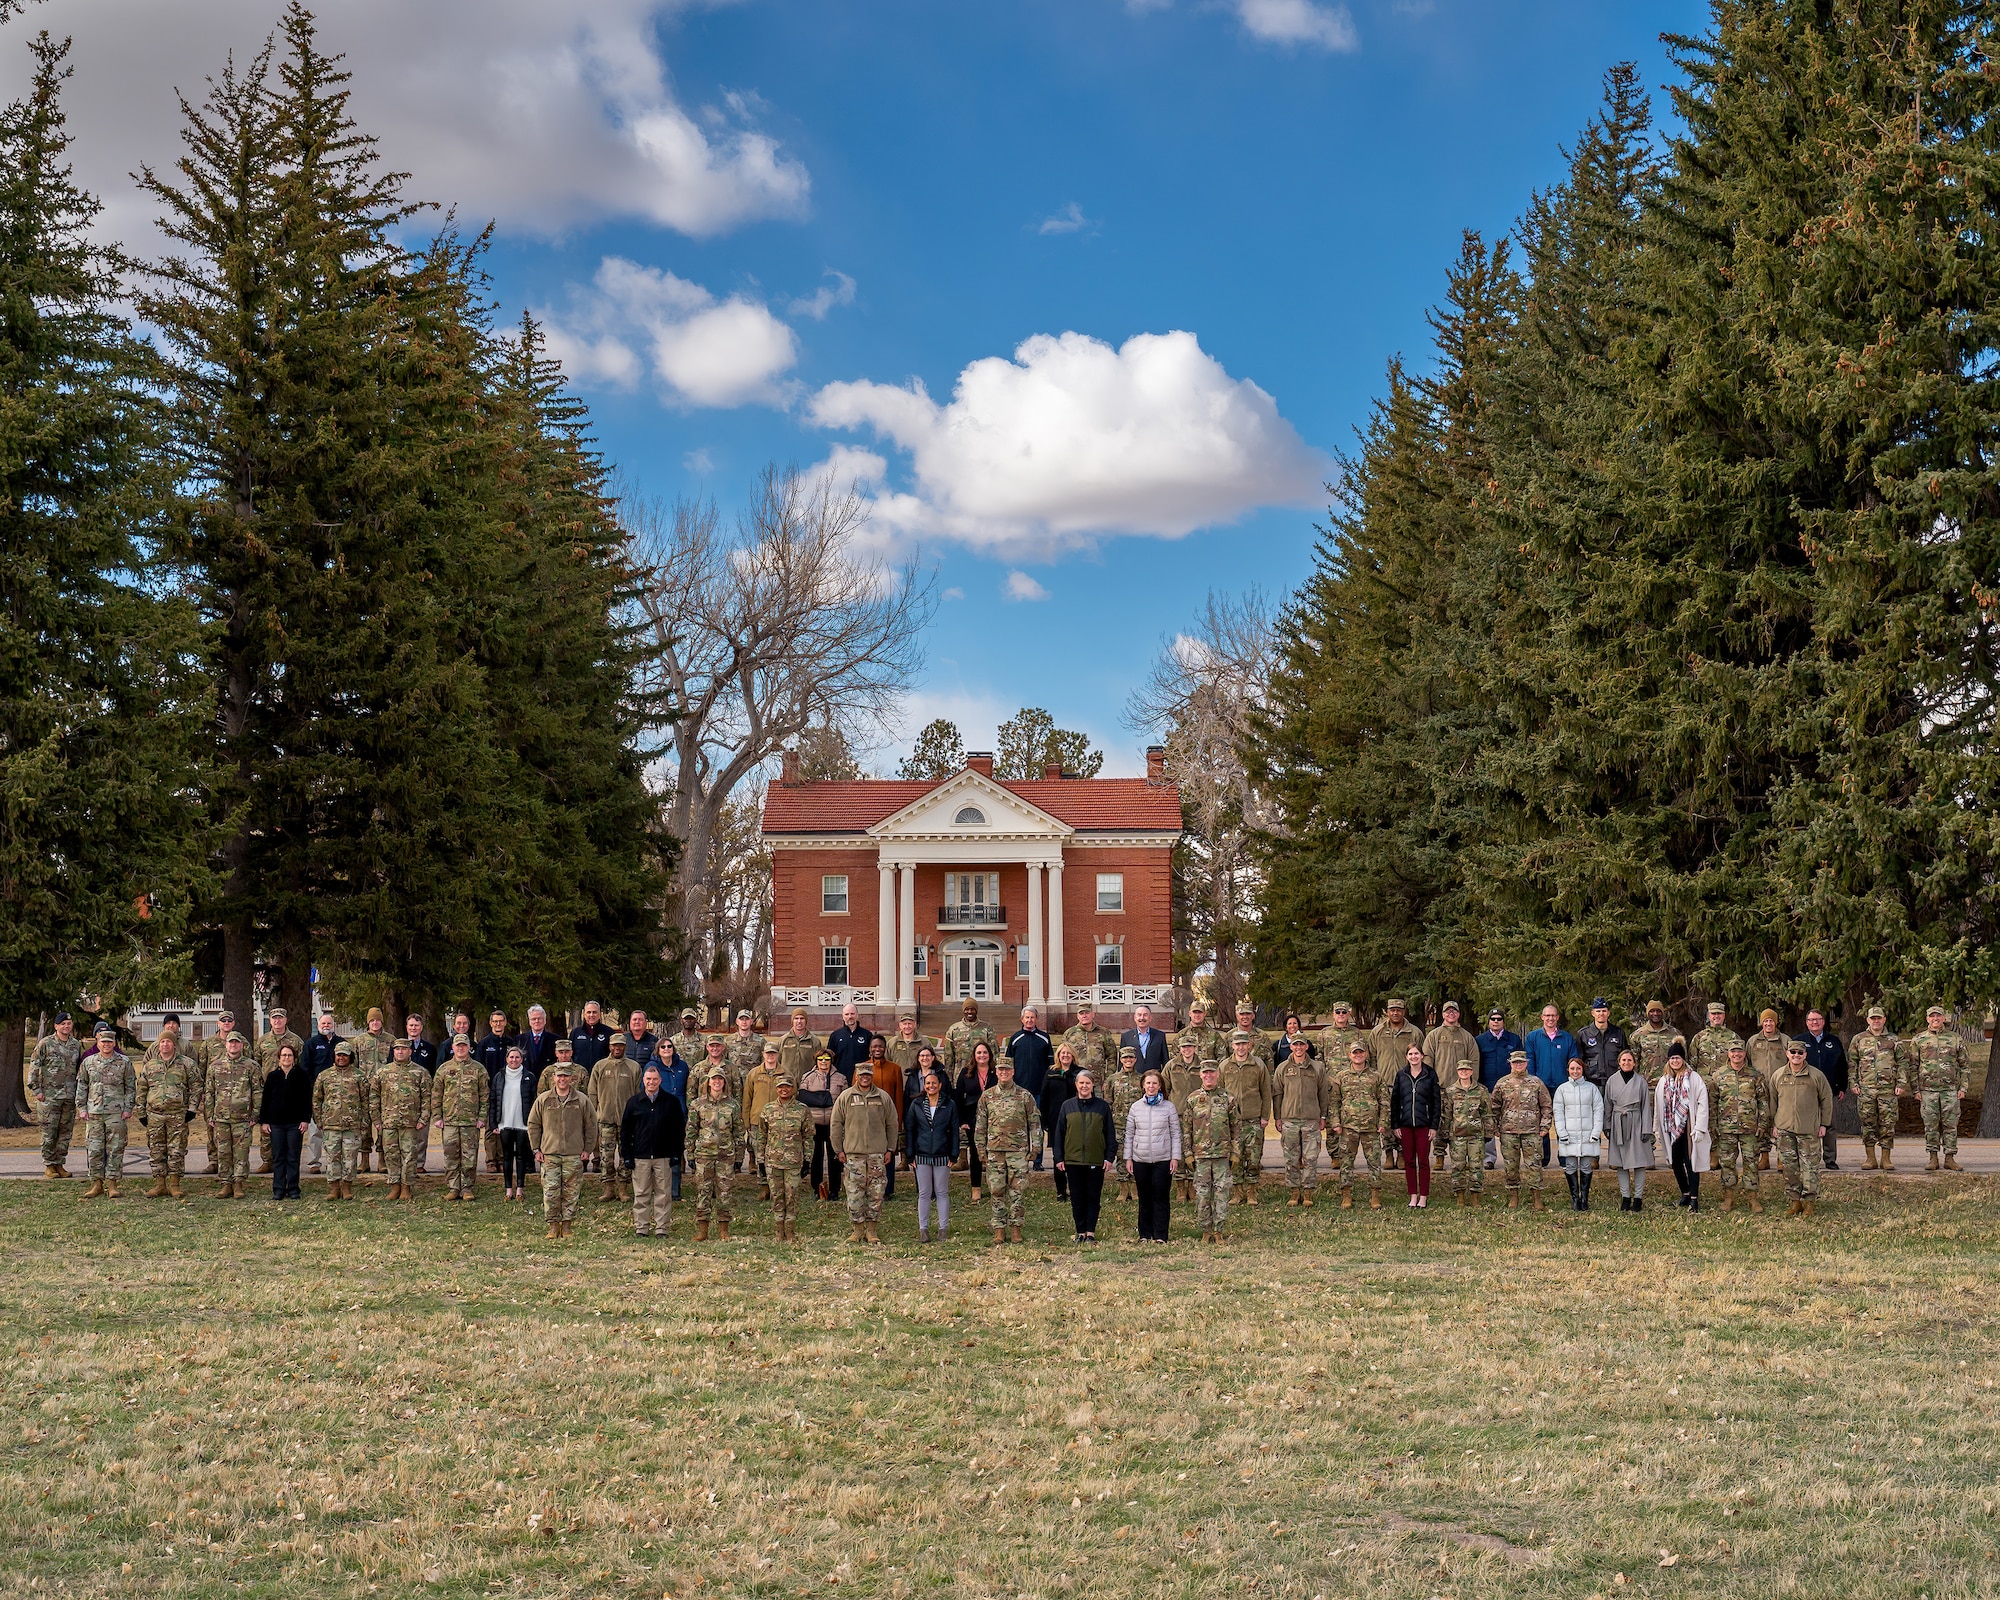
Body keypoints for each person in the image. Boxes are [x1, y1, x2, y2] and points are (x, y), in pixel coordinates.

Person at [974, 1054, 1039, 1246]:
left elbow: (1034, 1123)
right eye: (1001, 1069)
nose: (1004, 1072)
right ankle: (999, 1229)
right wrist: (980, 1149)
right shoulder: (987, 1096)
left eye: (1007, 1069)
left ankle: (1016, 1228)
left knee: (1017, 1191)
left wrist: (1035, 1148)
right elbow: (980, 1125)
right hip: (994, 1152)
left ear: (1013, 1072)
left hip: (1018, 1151)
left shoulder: (1024, 1096)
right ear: (996, 1071)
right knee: (996, 1191)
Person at [831, 1059, 898, 1244]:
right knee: (854, 1193)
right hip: (853, 1155)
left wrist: (890, 1149)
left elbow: (892, 1124)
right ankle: (857, 1230)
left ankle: (871, 1230)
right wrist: (838, 1149)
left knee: (876, 1194)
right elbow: (836, 1124)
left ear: (872, 1076)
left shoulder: (883, 1098)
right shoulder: (846, 1097)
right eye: (861, 1075)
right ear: (856, 1076)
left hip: (877, 1155)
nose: (865, 1078)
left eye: (868, 1075)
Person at [527, 1063, 596, 1240]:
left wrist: (587, 1149)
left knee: (571, 1191)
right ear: (554, 1078)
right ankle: (552, 1226)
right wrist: (536, 1149)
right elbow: (533, 1124)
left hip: (573, 1153)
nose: (562, 1079)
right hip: (549, 1153)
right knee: (550, 1190)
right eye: (559, 1076)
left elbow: (591, 1126)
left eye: (566, 1076)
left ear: (571, 1078)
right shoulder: (543, 1099)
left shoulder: (581, 1100)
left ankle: (566, 1226)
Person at [136, 1019, 201, 1200]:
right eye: (162, 1041)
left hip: (178, 1115)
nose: (165, 1044)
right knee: (156, 1150)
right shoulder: (150, 1066)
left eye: (168, 1041)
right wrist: (141, 1113)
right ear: (158, 1044)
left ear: (174, 1044)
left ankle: (174, 1184)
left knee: (177, 1150)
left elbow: (196, 1086)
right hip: (155, 1115)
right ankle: (159, 1184)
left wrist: (192, 1109)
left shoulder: (186, 1064)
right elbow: (141, 1089)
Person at [621, 1063, 687, 1239]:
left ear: (660, 1080)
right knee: (641, 1193)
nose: (651, 1082)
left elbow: (678, 1131)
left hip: (663, 1156)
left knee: (663, 1194)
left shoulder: (671, 1102)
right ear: (643, 1080)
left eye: (655, 1079)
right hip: (640, 1156)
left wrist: (676, 1154)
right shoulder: (634, 1102)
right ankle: (641, 1228)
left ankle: (661, 1229)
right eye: (648, 1079)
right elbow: (625, 1132)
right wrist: (627, 1155)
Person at [1772, 1039, 1835, 1215]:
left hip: (1809, 1130)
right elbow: (1772, 1101)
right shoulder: (1778, 1076)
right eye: (1793, 1052)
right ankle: (1794, 1202)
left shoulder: (1816, 1076)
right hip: (1785, 1130)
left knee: (1810, 1168)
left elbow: (1827, 1100)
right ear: (1787, 1054)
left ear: (1805, 1055)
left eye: (1800, 1053)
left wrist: (1824, 1124)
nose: (1796, 1056)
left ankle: (1809, 1203)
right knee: (1789, 1168)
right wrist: (1774, 1124)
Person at [1709, 1042, 1773, 1214]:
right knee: (1727, 1163)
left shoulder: (1755, 1075)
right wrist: (1713, 1124)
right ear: (1728, 1054)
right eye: (1733, 1051)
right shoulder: (1719, 1075)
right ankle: (1728, 1197)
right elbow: (1712, 1102)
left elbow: (1763, 1102)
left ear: (1745, 1053)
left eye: (1740, 1051)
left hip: (1750, 1128)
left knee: (1751, 1163)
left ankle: (1752, 1198)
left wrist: (1763, 1124)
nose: (1736, 1054)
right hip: (1726, 1128)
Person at [1053, 1069, 1116, 1242]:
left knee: (1093, 1197)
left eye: (1087, 1083)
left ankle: (1090, 1232)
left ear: (1092, 1085)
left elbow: (1110, 1133)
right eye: (1081, 1083)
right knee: (1077, 1198)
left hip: (1095, 1160)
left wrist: (1109, 1157)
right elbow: (1059, 1134)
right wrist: (1059, 1158)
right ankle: (1080, 1231)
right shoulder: (1067, 1106)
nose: (1084, 1086)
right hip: (1072, 1161)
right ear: (1076, 1085)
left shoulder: (1102, 1107)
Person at [1907, 1004, 1970, 1171]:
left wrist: (1963, 1088)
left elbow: (1964, 1066)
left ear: (1943, 1018)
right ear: (1927, 1018)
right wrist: (1915, 1090)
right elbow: (1913, 1066)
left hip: (1950, 1091)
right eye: (1932, 1016)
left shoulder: (1955, 1039)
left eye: (1938, 1016)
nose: (1935, 1019)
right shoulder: (1918, 1040)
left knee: (1950, 1125)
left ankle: (1950, 1158)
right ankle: (1932, 1158)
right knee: (1930, 1125)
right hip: (1927, 1091)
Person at [686, 1063, 743, 1241]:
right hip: (703, 1155)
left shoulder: (733, 1105)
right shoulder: (698, 1104)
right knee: (703, 1191)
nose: (717, 1082)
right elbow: (691, 1130)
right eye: (714, 1079)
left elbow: (739, 1132)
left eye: (720, 1079)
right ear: (708, 1082)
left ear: (724, 1082)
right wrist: (690, 1154)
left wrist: (739, 1157)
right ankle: (702, 1230)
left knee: (724, 1193)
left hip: (726, 1156)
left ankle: (723, 1230)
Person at [1183, 1061, 1238, 1243]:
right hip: (1201, 1155)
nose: (1209, 1076)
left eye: (1212, 1073)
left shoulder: (1227, 1098)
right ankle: (1206, 1231)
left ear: (1217, 1074)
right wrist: (1188, 1153)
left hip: (1222, 1155)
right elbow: (1186, 1129)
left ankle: (1218, 1230)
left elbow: (1236, 1127)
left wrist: (1236, 1152)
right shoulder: (1192, 1099)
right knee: (1202, 1195)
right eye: (1205, 1073)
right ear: (1200, 1075)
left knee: (1222, 1194)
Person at [1123, 1069, 1181, 1244]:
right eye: (1148, 1083)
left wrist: (1175, 1157)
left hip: (1163, 1160)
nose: (1151, 1086)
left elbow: (1176, 1134)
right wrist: (1128, 1158)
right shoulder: (1136, 1107)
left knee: (1160, 1197)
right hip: (1140, 1160)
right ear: (1143, 1086)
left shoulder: (1169, 1107)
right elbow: (1130, 1134)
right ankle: (1145, 1234)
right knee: (1145, 1198)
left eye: (1154, 1083)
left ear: (1160, 1086)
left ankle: (1160, 1235)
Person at [78, 1024, 135, 1199]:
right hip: (94, 1112)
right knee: (94, 1149)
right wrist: (81, 1107)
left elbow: (131, 1087)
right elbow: (82, 1085)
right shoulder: (88, 1062)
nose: (106, 1045)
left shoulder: (124, 1062)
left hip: (116, 1113)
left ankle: (112, 1184)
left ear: (114, 1042)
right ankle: (96, 1184)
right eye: (103, 1041)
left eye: (110, 1042)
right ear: (98, 1042)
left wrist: (128, 1108)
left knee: (115, 1149)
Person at [905, 1066, 961, 1243]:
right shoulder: (916, 1104)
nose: (931, 1086)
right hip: (921, 1155)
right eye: (928, 1083)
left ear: (940, 1084)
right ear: (924, 1085)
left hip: (942, 1155)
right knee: (924, 1193)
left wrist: (954, 1154)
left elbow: (954, 1131)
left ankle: (943, 1229)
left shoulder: (949, 1104)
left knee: (942, 1191)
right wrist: (910, 1154)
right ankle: (924, 1229)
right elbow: (910, 1130)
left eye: (934, 1083)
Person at [1491, 1049, 1553, 1210]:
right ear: (1510, 1064)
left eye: (1521, 1062)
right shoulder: (1502, 1083)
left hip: (1532, 1132)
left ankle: (1537, 1198)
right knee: (1511, 1166)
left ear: (1526, 1063)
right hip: (1508, 1132)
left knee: (1534, 1166)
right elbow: (1494, 1107)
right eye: (1515, 1062)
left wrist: (1545, 1126)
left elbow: (1546, 1105)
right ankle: (1513, 1196)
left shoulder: (1536, 1083)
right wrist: (1495, 1128)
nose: (1518, 1065)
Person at [1330, 1040, 1388, 1210]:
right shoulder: (1341, 1076)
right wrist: (1335, 1123)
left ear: (1366, 1054)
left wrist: (1383, 1122)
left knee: (1374, 1162)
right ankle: (1346, 1195)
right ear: (1349, 1055)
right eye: (1355, 1053)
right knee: (1346, 1162)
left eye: (1361, 1052)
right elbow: (1334, 1102)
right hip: (1349, 1127)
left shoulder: (1376, 1076)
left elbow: (1384, 1101)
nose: (1358, 1055)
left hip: (1371, 1127)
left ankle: (1375, 1195)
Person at [203, 1032, 262, 1199]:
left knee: (241, 1153)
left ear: (242, 1045)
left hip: (243, 1118)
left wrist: (255, 1114)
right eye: (231, 1043)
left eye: (237, 1043)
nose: (234, 1046)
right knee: (223, 1152)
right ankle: (225, 1184)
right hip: (221, 1118)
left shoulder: (251, 1066)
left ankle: (238, 1184)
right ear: (226, 1045)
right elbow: (209, 1092)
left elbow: (257, 1092)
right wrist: (209, 1115)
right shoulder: (215, 1066)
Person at [431, 1032, 488, 1202]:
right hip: (449, 1121)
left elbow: (485, 1095)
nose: (461, 1048)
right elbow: (436, 1094)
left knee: (469, 1156)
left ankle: (467, 1187)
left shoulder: (479, 1069)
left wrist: (482, 1117)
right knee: (450, 1156)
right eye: (458, 1045)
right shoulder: (444, 1069)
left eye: (464, 1045)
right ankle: (454, 1187)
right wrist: (437, 1116)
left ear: (469, 1047)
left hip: (470, 1122)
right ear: (453, 1048)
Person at [1273, 1033, 1329, 1205]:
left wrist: (1323, 1115)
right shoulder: (1282, 1068)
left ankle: (1308, 1193)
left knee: (1310, 1158)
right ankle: (1294, 1191)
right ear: (1291, 1047)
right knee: (1291, 1158)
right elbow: (1277, 1094)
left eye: (1301, 1045)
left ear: (1306, 1047)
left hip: (1311, 1120)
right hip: (1289, 1120)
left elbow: (1323, 1094)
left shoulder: (1317, 1068)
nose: (1298, 1048)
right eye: (1295, 1045)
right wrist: (1277, 1117)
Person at [1654, 1043, 1710, 1209]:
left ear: (1683, 1059)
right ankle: (1684, 1193)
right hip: (1671, 1128)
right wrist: (1657, 1128)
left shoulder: (1693, 1078)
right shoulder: (1664, 1081)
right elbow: (1659, 1105)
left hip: (1689, 1127)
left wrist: (1700, 1127)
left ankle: (1694, 1198)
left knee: (1690, 1161)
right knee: (1675, 1161)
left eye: (1678, 1057)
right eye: (1672, 1058)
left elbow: (1702, 1102)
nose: (1675, 1061)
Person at [375, 1037, 431, 1201]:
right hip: (389, 1122)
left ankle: (406, 1187)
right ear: (393, 1051)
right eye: (397, 1049)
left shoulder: (420, 1072)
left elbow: (427, 1097)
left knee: (409, 1155)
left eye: (403, 1049)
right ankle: (394, 1186)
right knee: (391, 1155)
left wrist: (423, 1118)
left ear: (410, 1051)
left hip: (410, 1123)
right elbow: (374, 1097)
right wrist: (377, 1119)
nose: (400, 1052)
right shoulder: (383, 1072)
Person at [760, 1075, 814, 1241]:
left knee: (791, 1196)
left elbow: (809, 1136)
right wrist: (761, 1160)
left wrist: (808, 1160)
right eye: (780, 1087)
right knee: (777, 1196)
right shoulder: (768, 1109)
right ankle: (779, 1231)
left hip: (793, 1162)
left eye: (787, 1087)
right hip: (773, 1162)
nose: (784, 1090)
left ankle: (790, 1231)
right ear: (776, 1089)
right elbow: (762, 1135)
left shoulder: (802, 1110)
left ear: (793, 1089)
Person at [1221, 1030, 1272, 1206]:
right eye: (1237, 1044)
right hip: (1232, 1122)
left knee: (1254, 1158)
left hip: (1253, 1120)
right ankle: (1237, 1192)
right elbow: (1219, 1094)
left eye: (1244, 1044)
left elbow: (1266, 1092)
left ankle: (1251, 1192)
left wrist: (1265, 1116)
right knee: (1235, 1158)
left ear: (1249, 1045)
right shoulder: (1225, 1066)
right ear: (1232, 1046)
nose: (1241, 1047)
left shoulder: (1258, 1065)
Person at [1368, 999, 1421, 1169]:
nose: (1395, 1013)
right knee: (1387, 1121)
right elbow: (1372, 1057)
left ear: (1404, 1011)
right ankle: (1389, 1154)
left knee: (1404, 1121)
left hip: (1407, 1084)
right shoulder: (1377, 1032)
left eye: (1398, 1010)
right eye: (1392, 1010)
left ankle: (1402, 1155)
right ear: (1387, 1012)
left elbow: (1420, 1056)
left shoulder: (1414, 1032)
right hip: (1384, 1083)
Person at [590, 1034, 642, 1204]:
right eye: (614, 1045)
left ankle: (623, 1188)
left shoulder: (633, 1067)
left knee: (626, 1155)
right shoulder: (600, 1066)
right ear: (610, 1046)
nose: (617, 1048)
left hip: (627, 1121)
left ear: (625, 1047)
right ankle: (608, 1188)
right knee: (606, 1156)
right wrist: (594, 1113)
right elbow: (592, 1092)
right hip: (605, 1119)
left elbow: (638, 1095)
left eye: (620, 1045)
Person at [29, 1013, 82, 1180]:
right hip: (49, 1097)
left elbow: (79, 1069)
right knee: (49, 1132)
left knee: (65, 1133)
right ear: (56, 1026)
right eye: (63, 1024)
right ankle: (49, 1165)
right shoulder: (45, 1044)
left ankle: (60, 1163)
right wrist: (36, 1090)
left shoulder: (75, 1045)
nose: (66, 1026)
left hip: (69, 1096)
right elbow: (34, 1067)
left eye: (69, 1023)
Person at [311, 1042, 367, 1200]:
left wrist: (363, 1122)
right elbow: (317, 1100)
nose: (341, 1058)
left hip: (352, 1125)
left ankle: (347, 1187)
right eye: (339, 1055)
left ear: (350, 1056)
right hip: (331, 1124)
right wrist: (320, 1121)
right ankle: (334, 1188)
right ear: (334, 1056)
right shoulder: (324, 1076)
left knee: (350, 1158)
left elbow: (365, 1100)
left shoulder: (359, 1076)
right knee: (332, 1157)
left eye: (345, 1055)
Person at [1849, 1005, 1902, 1170]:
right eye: (1873, 1018)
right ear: (1868, 1020)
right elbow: (1852, 1063)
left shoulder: (1894, 1039)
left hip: (1888, 1090)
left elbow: (1903, 1063)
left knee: (1888, 1124)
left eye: (1879, 1018)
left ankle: (1886, 1159)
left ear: (1884, 1020)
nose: (1876, 1021)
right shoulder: (1858, 1039)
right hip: (1866, 1090)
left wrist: (1901, 1083)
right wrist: (1853, 1083)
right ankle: (1870, 1158)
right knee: (1868, 1124)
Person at [1600, 1048, 1654, 1212]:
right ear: (1619, 1062)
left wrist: (1647, 1129)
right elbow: (1607, 1105)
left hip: (1636, 1122)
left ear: (1634, 1063)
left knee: (1639, 1163)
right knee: (1621, 1163)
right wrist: (1607, 1125)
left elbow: (1646, 1106)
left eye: (1629, 1060)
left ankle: (1638, 1197)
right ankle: (1625, 1197)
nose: (1626, 1063)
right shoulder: (1611, 1080)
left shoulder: (1641, 1081)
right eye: (1623, 1060)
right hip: (1618, 1123)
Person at [1388, 1043, 1440, 1209]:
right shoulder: (1401, 1075)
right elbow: (1394, 1101)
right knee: (1409, 1161)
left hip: (1424, 1125)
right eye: (1410, 1054)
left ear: (1422, 1056)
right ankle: (1412, 1195)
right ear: (1406, 1057)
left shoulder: (1430, 1074)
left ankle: (1423, 1197)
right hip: (1405, 1125)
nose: (1413, 1057)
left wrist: (1434, 1126)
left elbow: (1436, 1102)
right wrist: (1395, 1125)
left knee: (1423, 1161)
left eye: (1416, 1053)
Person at [1796, 1008, 1848, 1170]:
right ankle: (1808, 1159)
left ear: (1823, 1022)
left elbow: (1842, 1065)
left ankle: (1830, 1159)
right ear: (1806, 1023)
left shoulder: (1833, 1040)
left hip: (1829, 1090)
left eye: (1818, 1019)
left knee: (1829, 1126)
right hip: (1805, 1091)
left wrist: (1842, 1086)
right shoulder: (1799, 1041)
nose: (1815, 1022)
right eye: (1811, 1020)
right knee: (1807, 1126)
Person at [1004, 1004, 1054, 1172]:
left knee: (1037, 1127)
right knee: (1020, 1127)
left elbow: (1051, 1065)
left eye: (1032, 1017)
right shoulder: (1015, 1038)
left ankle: (1037, 1160)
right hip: (1019, 1091)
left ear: (1036, 1019)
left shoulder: (1044, 1038)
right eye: (1027, 1017)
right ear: (1022, 1019)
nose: (1030, 1020)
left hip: (1039, 1091)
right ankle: (1021, 1159)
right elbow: (1008, 1064)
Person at [254, 1007, 304, 1174]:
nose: (277, 1021)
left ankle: (289, 1161)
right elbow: (257, 1063)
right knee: (267, 1125)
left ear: (285, 1020)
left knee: (290, 1124)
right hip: (268, 1088)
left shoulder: (296, 1041)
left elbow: (301, 1064)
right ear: (270, 1020)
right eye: (274, 1018)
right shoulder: (262, 1041)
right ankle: (267, 1160)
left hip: (289, 1088)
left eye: (280, 1018)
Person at [259, 1042, 311, 1201]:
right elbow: (266, 1100)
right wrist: (264, 1121)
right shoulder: (273, 1076)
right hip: (276, 1124)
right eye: (284, 1055)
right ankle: (279, 1189)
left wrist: (305, 1120)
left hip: (295, 1124)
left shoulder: (302, 1075)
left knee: (293, 1156)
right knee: (278, 1156)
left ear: (294, 1058)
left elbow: (306, 1099)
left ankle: (293, 1188)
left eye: (289, 1055)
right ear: (279, 1058)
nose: (286, 1058)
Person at [1552, 1056, 1604, 1211]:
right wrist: (1562, 1132)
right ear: (1568, 1070)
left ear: (1583, 1070)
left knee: (1587, 1166)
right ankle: (1575, 1198)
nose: (1575, 1071)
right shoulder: (1562, 1089)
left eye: (1578, 1068)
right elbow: (1558, 1112)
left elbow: (1598, 1110)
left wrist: (1596, 1132)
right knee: (1570, 1165)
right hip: (1569, 1134)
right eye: (1572, 1068)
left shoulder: (1592, 1088)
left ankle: (1585, 1198)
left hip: (1588, 1134)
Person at [490, 1046, 539, 1202]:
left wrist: (533, 1123)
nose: (514, 1060)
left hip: (522, 1124)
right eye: (511, 1057)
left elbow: (533, 1102)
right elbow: (493, 1101)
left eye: (517, 1057)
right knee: (507, 1157)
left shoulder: (529, 1077)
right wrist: (493, 1123)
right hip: (504, 1123)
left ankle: (519, 1190)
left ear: (521, 1059)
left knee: (521, 1157)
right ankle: (508, 1190)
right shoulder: (499, 1077)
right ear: (506, 1059)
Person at [1440, 1059, 1492, 1207]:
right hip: (1457, 1136)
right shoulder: (1450, 1091)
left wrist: (1488, 1132)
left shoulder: (1481, 1090)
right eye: (1461, 1070)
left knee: (1476, 1167)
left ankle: (1475, 1196)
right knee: (1458, 1166)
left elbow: (1486, 1113)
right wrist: (1444, 1134)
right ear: (1457, 1071)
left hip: (1476, 1136)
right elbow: (1446, 1115)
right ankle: (1460, 1196)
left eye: (1467, 1070)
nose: (1464, 1072)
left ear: (1471, 1071)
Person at [800, 1047, 848, 1202]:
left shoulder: (840, 1078)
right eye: (821, 1060)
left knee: (834, 1157)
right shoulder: (807, 1077)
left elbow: (845, 1101)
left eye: (827, 1060)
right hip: (815, 1123)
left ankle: (834, 1190)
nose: (824, 1063)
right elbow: (803, 1099)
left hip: (833, 1123)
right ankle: (816, 1188)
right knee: (816, 1157)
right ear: (816, 1061)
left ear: (831, 1061)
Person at [1102, 1045, 1147, 1202]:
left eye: (1131, 1058)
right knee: (1121, 1156)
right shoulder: (1112, 1080)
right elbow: (1108, 1102)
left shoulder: (1142, 1079)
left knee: (1136, 1156)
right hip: (1119, 1124)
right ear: (1120, 1060)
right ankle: (1123, 1188)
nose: (1128, 1060)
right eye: (1125, 1058)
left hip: (1138, 1125)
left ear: (1135, 1059)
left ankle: (1135, 1188)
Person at [955, 1041, 998, 1203]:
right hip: (972, 1120)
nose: (982, 1056)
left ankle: (996, 1187)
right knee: (975, 1155)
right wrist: (962, 1120)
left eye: (985, 1053)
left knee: (994, 1155)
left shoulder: (995, 1073)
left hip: (994, 1120)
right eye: (979, 1053)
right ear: (974, 1055)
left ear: (989, 1055)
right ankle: (976, 1188)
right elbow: (958, 1097)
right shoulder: (966, 1073)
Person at [1747, 1009, 1790, 1170]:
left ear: (1776, 1022)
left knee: (1780, 1122)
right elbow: (1748, 1063)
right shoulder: (1753, 1041)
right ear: (1761, 1023)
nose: (1768, 1024)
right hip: (1759, 1089)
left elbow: (1791, 1061)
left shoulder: (1784, 1040)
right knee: (1761, 1123)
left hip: (1780, 1088)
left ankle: (1781, 1157)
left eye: (1771, 1021)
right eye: (1765, 1021)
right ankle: (1764, 1157)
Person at [740, 1042, 783, 1201]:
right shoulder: (754, 1074)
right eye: (767, 1053)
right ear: (763, 1054)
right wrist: (747, 1122)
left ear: (778, 1055)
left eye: (773, 1053)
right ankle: (764, 1188)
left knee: (777, 1156)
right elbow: (747, 1099)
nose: (770, 1056)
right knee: (761, 1157)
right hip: (757, 1122)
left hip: (779, 1123)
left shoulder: (785, 1074)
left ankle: (776, 1189)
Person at [1039, 1042, 1080, 1199]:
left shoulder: (1079, 1073)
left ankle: (1075, 1189)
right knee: (1059, 1156)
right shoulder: (1051, 1072)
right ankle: (1061, 1191)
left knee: (1074, 1156)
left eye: (1068, 1053)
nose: (1065, 1055)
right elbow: (1044, 1097)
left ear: (1073, 1055)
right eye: (1062, 1053)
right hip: (1055, 1120)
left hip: (1076, 1120)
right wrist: (1044, 1120)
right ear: (1058, 1055)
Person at [865, 1035, 904, 1198]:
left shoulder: (894, 1068)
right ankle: (870, 1188)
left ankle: (887, 1191)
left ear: (885, 1048)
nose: (877, 1049)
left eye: (880, 1046)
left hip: (888, 1118)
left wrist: (898, 1121)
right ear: (870, 1049)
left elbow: (899, 1096)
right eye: (874, 1046)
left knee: (888, 1152)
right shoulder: (862, 1067)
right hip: (867, 1118)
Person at [1059, 1002, 1121, 1093]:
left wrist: (1108, 1080)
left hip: (1097, 1084)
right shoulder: (1069, 1034)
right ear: (1078, 1016)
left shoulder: (1103, 1033)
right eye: (1081, 1013)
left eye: (1087, 1013)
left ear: (1093, 1014)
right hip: (1075, 1082)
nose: (1084, 1016)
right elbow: (1062, 1058)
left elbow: (1112, 1057)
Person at [1576, 997, 1629, 1092]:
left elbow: (1625, 1056)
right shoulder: (1583, 1034)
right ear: (1593, 1013)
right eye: (1598, 1011)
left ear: (1608, 1013)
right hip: (1591, 1083)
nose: (1601, 1014)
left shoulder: (1618, 1033)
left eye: (1604, 1011)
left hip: (1615, 1082)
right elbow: (1579, 1060)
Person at [1629, 1001, 1685, 1084]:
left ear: (1662, 1013)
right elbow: (1634, 1062)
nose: (1655, 1014)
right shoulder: (1638, 1035)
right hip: (1647, 1084)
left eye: (1658, 1011)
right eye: (1652, 1011)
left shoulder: (1674, 1033)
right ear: (1648, 1013)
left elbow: (1683, 1059)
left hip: (1671, 1083)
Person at [943, 998, 998, 1081]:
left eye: (972, 1009)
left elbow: (994, 1052)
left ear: (976, 1010)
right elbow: (949, 1056)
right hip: (960, 1075)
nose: (969, 1012)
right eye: (967, 1009)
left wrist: (993, 1073)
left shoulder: (987, 1028)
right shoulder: (954, 1029)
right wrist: (948, 1078)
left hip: (982, 1074)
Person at [828, 1002, 877, 1081]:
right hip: (840, 1079)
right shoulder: (835, 1036)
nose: (850, 1016)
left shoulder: (867, 1035)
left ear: (857, 1015)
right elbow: (830, 1059)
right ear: (842, 1016)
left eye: (852, 1014)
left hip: (861, 1079)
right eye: (847, 1014)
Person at [1119, 1003, 1168, 1078]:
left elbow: (1165, 1061)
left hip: (1154, 1080)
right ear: (1135, 1018)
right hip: (1132, 1080)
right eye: (1139, 1015)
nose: (1142, 1018)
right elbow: (1121, 1061)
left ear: (1150, 1018)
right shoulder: (1126, 1037)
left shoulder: (1160, 1036)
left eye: (1145, 1015)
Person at [777, 1007, 821, 1086]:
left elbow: (819, 1064)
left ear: (806, 1021)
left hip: (808, 1083)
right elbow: (777, 1062)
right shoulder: (783, 1040)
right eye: (796, 1018)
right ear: (792, 1021)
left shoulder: (814, 1041)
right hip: (787, 1083)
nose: (799, 1021)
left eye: (802, 1018)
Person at [569, 1000, 611, 1078]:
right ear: (584, 1014)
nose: (591, 1015)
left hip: (601, 1076)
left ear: (599, 1014)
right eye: (588, 1012)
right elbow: (570, 1055)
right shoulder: (576, 1033)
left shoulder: (608, 1032)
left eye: (594, 1012)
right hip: (579, 1077)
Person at [403, 1010, 438, 1075]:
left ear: (421, 1027)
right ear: (406, 1027)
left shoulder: (430, 1048)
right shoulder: (399, 1047)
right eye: (411, 1025)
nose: (413, 1028)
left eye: (416, 1025)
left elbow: (434, 1069)